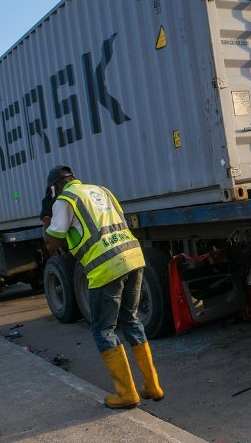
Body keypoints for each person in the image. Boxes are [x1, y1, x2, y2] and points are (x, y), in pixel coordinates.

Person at [40, 165, 163, 409]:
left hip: (106, 266)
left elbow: (52, 243)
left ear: (55, 187)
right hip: (133, 257)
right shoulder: (101, 191)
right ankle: (152, 386)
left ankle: (127, 393)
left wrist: (46, 216)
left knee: (103, 329)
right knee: (131, 320)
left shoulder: (64, 200)